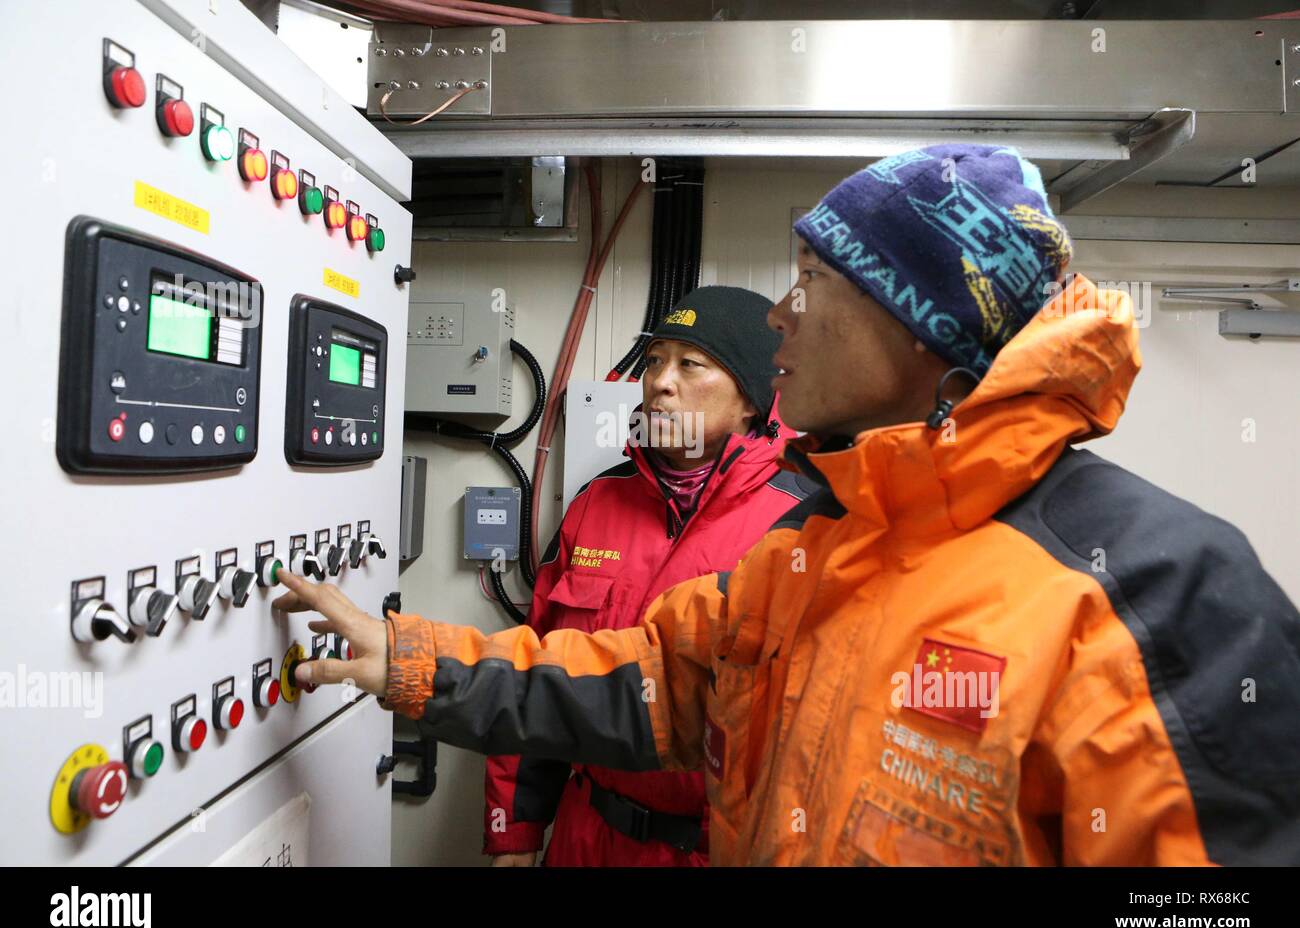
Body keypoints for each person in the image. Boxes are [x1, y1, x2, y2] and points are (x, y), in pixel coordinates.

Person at [275, 144, 1300, 865]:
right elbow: (638, 679)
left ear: (917, 321)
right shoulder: (816, 545)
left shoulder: (1155, 594)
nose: (779, 314)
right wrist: (408, 659)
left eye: (810, 278)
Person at [486, 286, 805, 867]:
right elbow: (535, 667)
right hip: (588, 837)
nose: (659, 380)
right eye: (655, 360)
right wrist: (516, 832)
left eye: (691, 364)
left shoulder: (801, 519)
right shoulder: (596, 502)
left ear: (752, 400)